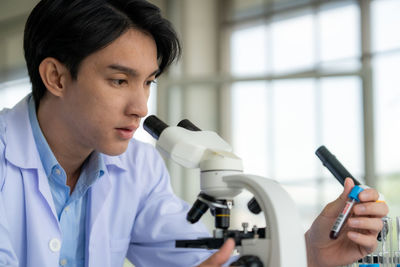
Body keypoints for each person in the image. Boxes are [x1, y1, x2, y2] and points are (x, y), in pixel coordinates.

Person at [0, 0, 388, 266]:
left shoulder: (138, 168)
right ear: (56, 77)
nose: (140, 107)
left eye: (148, 82)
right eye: (119, 80)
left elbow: (207, 262)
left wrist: (310, 253)